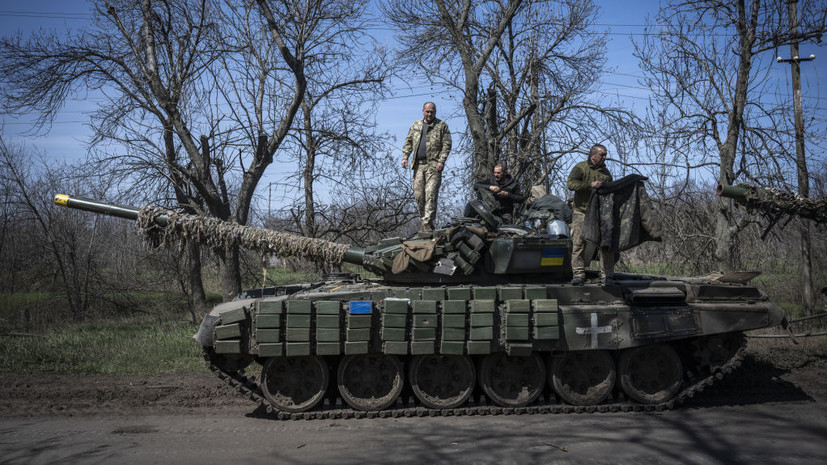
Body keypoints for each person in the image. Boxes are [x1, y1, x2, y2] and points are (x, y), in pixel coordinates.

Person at [401, 102, 452, 231]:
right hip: (418, 165)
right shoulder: (416, 125)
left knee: (430, 193)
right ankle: (425, 221)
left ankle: (427, 223)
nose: (429, 114)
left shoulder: (442, 126)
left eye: (432, 112)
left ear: (435, 112)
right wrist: (405, 157)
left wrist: (441, 161)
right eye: (427, 111)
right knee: (419, 195)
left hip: (433, 165)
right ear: (423, 111)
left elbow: (447, 145)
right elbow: (408, 141)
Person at [567, 144, 613, 285]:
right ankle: (579, 274)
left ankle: (606, 275)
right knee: (579, 244)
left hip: (600, 213)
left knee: (605, 244)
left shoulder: (605, 173)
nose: (604, 157)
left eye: (605, 155)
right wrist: (590, 185)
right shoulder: (581, 167)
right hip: (581, 211)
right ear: (593, 155)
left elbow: (611, 187)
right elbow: (571, 184)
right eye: (602, 155)